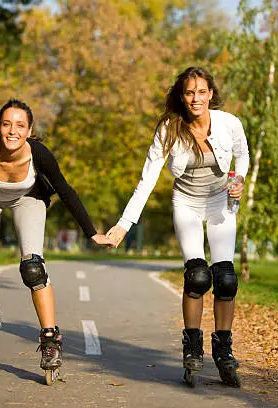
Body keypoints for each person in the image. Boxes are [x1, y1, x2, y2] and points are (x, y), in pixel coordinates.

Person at [0, 99, 112, 379]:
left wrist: (93, 233)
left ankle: (51, 339)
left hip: (27, 199)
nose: (12, 131)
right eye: (6, 124)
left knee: (33, 268)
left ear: (29, 130)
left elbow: (65, 191)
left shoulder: (40, 154)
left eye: (20, 125)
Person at [106, 67, 249, 387]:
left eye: (201, 91)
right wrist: (124, 224)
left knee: (225, 280)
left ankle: (224, 350)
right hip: (186, 203)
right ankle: (193, 347)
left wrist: (238, 181)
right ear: (181, 96)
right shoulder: (169, 130)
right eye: (189, 92)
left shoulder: (228, 123)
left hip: (220, 203)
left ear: (211, 93)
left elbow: (243, 154)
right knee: (198, 276)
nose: (195, 98)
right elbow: (147, 180)